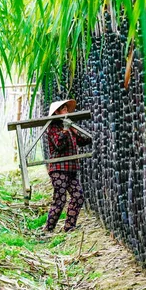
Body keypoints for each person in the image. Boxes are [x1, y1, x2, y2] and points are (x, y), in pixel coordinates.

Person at [43, 99, 92, 232]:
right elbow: (59, 145)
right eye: (63, 109)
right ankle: (48, 229)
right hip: (58, 169)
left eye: (66, 108)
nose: (66, 111)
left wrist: (75, 130)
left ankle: (69, 227)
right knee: (60, 199)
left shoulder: (69, 126)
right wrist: (65, 130)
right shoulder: (52, 127)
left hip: (71, 168)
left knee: (78, 196)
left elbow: (83, 141)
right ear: (56, 112)